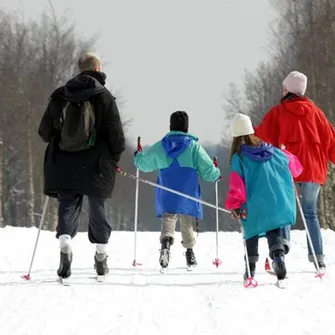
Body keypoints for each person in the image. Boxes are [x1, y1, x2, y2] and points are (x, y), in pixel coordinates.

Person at [38, 52, 125, 278]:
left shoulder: (61, 95)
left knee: (68, 204)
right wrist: (113, 158)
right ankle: (100, 257)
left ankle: (65, 243)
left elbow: (44, 132)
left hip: (65, 162)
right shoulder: (104, 97)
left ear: (80, 69)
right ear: (97, 68)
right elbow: (116, 136)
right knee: (98, 207)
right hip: (96, 163)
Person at [255, 71, 335, 270]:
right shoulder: (317, 113)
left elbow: (261, 136)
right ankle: (318, 258)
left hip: (288, 170)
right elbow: (331, 141)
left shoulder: (279, 111)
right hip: (314, 172)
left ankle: (281, 251)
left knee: (284, 210)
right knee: (310, 213)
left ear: (287, 90)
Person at [133, 111, 221, 269]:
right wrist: (216, 173)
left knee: (168, 217)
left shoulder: (162, 145)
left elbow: (145, 163)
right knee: (187, 219)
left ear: (170, 126)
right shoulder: (194, 147)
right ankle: (189, 253)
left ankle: (166, 243)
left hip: (167, 188)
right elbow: (208, 169)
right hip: (188, 191)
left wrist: (138, 156)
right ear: (187, 127)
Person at [225, 113, 302, 281]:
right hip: (277, 202)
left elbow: (237, 186)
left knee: (250, 230)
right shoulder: (273, 151)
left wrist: (235, 206)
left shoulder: (239, 158)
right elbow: (295, 168)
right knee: (273, 228)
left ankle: (250, 269)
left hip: (254, 205)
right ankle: (278, 257)